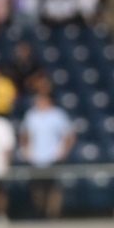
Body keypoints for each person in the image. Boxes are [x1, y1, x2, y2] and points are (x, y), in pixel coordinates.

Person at [21, 88, 74, 218]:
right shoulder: (31, 115)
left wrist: (63, 152)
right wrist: (26, 150)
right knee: (37, 188)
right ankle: (40, 213)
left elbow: (69, 135)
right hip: (35, 158)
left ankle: (53, 215)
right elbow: (24, 134)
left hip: (53, 157)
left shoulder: (57, 115)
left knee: (54, 188)